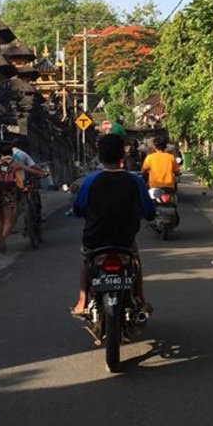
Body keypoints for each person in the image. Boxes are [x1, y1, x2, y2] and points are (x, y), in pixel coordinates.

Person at [71, 132, 156, 316]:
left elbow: (78, 208)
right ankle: (140, 296)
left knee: (86, 260)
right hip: (125, 240)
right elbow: (149, 210)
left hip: (95, 239)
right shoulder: (136, 181)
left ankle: (82, 300)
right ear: (122, 155)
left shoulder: (90, 181)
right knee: (135, 261)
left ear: (100, 157)